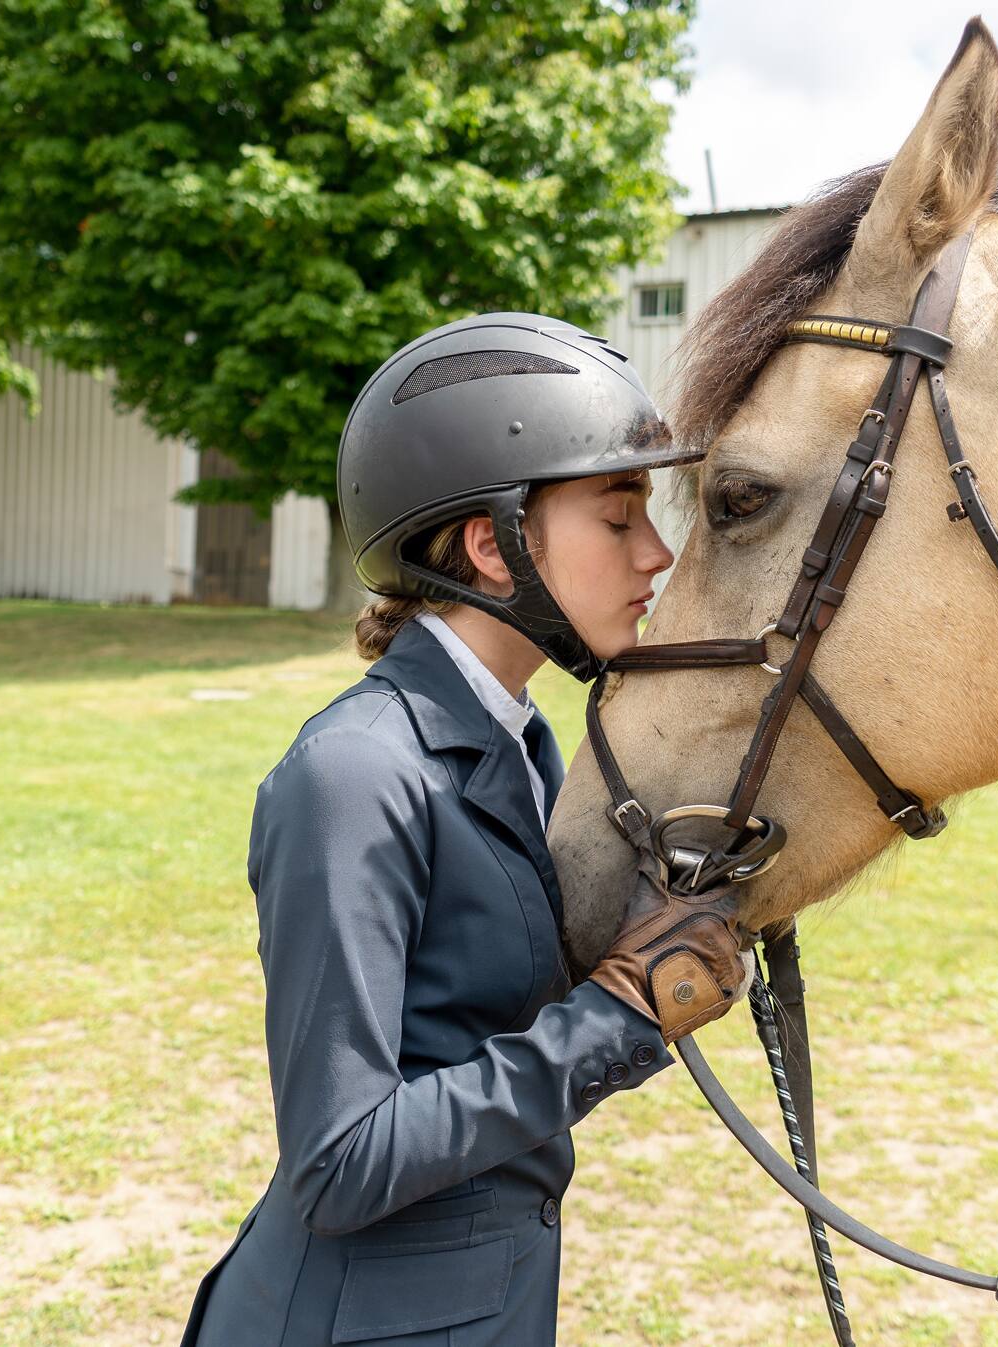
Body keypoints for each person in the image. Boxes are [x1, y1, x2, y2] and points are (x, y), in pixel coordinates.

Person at [180, 314, 754, 1346]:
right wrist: (620, 1017)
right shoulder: (354, 775)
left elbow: (482, 1018)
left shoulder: (521, 738)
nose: (657, 552)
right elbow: (338, 1162)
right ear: (492, 546)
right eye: (616, 516)